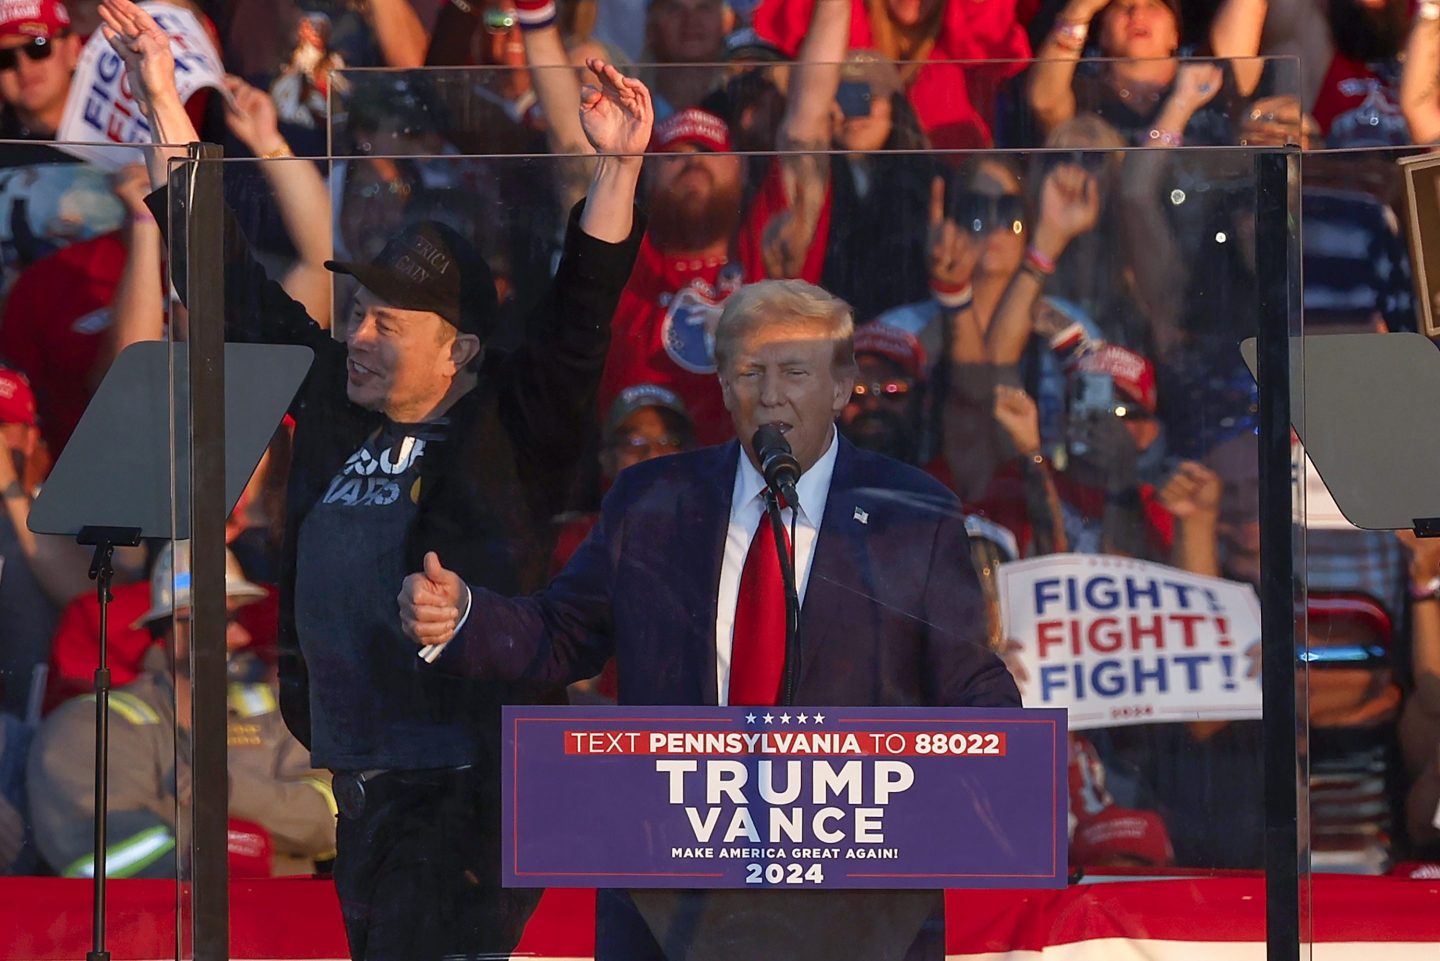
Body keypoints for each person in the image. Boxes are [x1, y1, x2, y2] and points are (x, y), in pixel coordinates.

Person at [97, 0, 649, 955]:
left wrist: (619, 168)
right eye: (356, 312)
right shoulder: (337, 403)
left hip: (467, 790)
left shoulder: (509, 424)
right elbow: (218, 278)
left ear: (459, 350)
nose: (355, 335)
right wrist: (159, 99)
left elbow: (580, 310)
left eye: (386, 324)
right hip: (360, 789)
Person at [400, 278, 1019, 961]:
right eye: (750, 372)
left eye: (795, 372)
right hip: (675, 891)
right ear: (723, 386)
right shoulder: (653, 500)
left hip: (854, 895)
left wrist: (1010, 761)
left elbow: (969, 684)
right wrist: (464, 618)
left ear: (841, 387)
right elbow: (563, 631)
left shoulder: (911, 514)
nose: (771, 394)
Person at [26, 542, 338, 878]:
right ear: (175, 624)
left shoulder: (279, 714)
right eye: (224, 620)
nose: (242, 636)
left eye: (238, 618)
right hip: (153, 912)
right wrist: (235, 846)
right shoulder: (93, 727)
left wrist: (220, 791)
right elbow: (97, 851)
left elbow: (331, 821)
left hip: (289, 909)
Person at [0, 0, 80, 140]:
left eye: (38, 47)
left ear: (73, 49)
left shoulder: (119, 133)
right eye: (4, 57)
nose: (23, 67)